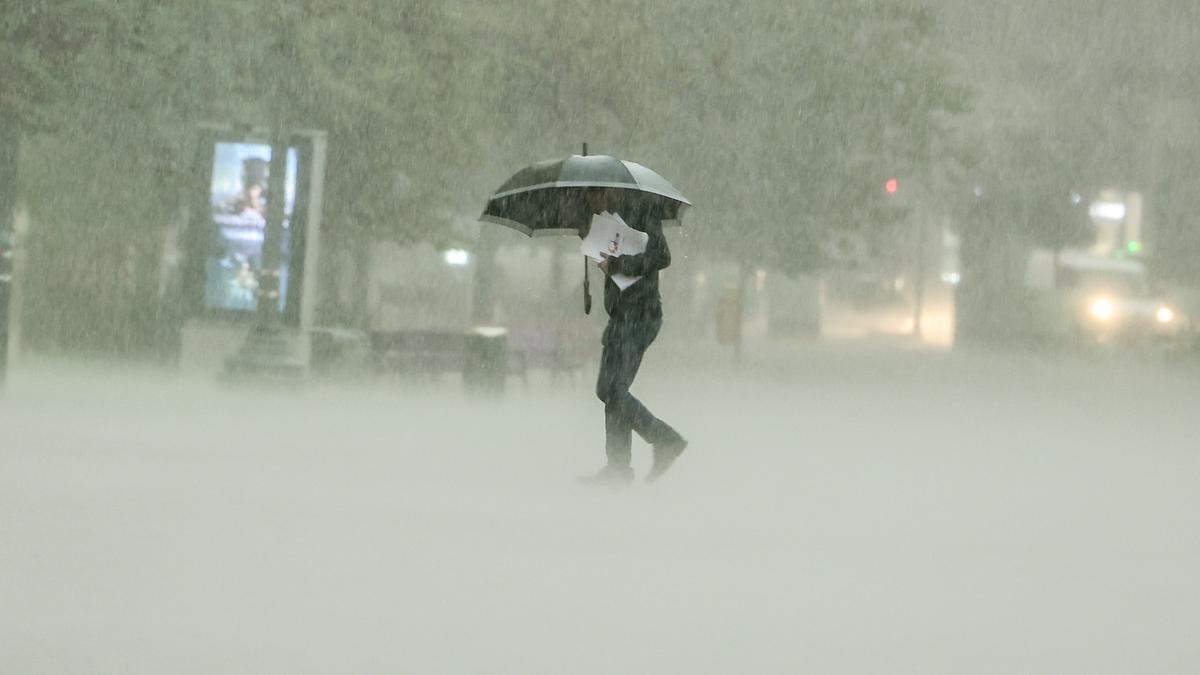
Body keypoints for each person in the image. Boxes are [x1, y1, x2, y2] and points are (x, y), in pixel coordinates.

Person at [576, 187, 687, 486]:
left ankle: (661, 441)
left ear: (608, 190)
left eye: (593, 196)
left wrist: (617, 264)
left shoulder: (642, 212)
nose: (591, 203)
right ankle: (620, 467)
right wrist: (591, 240)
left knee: (615, 390)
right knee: (607, 390)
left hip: (641, 316)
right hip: (621, 317)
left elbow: (661, 256)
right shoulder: (605, 221)